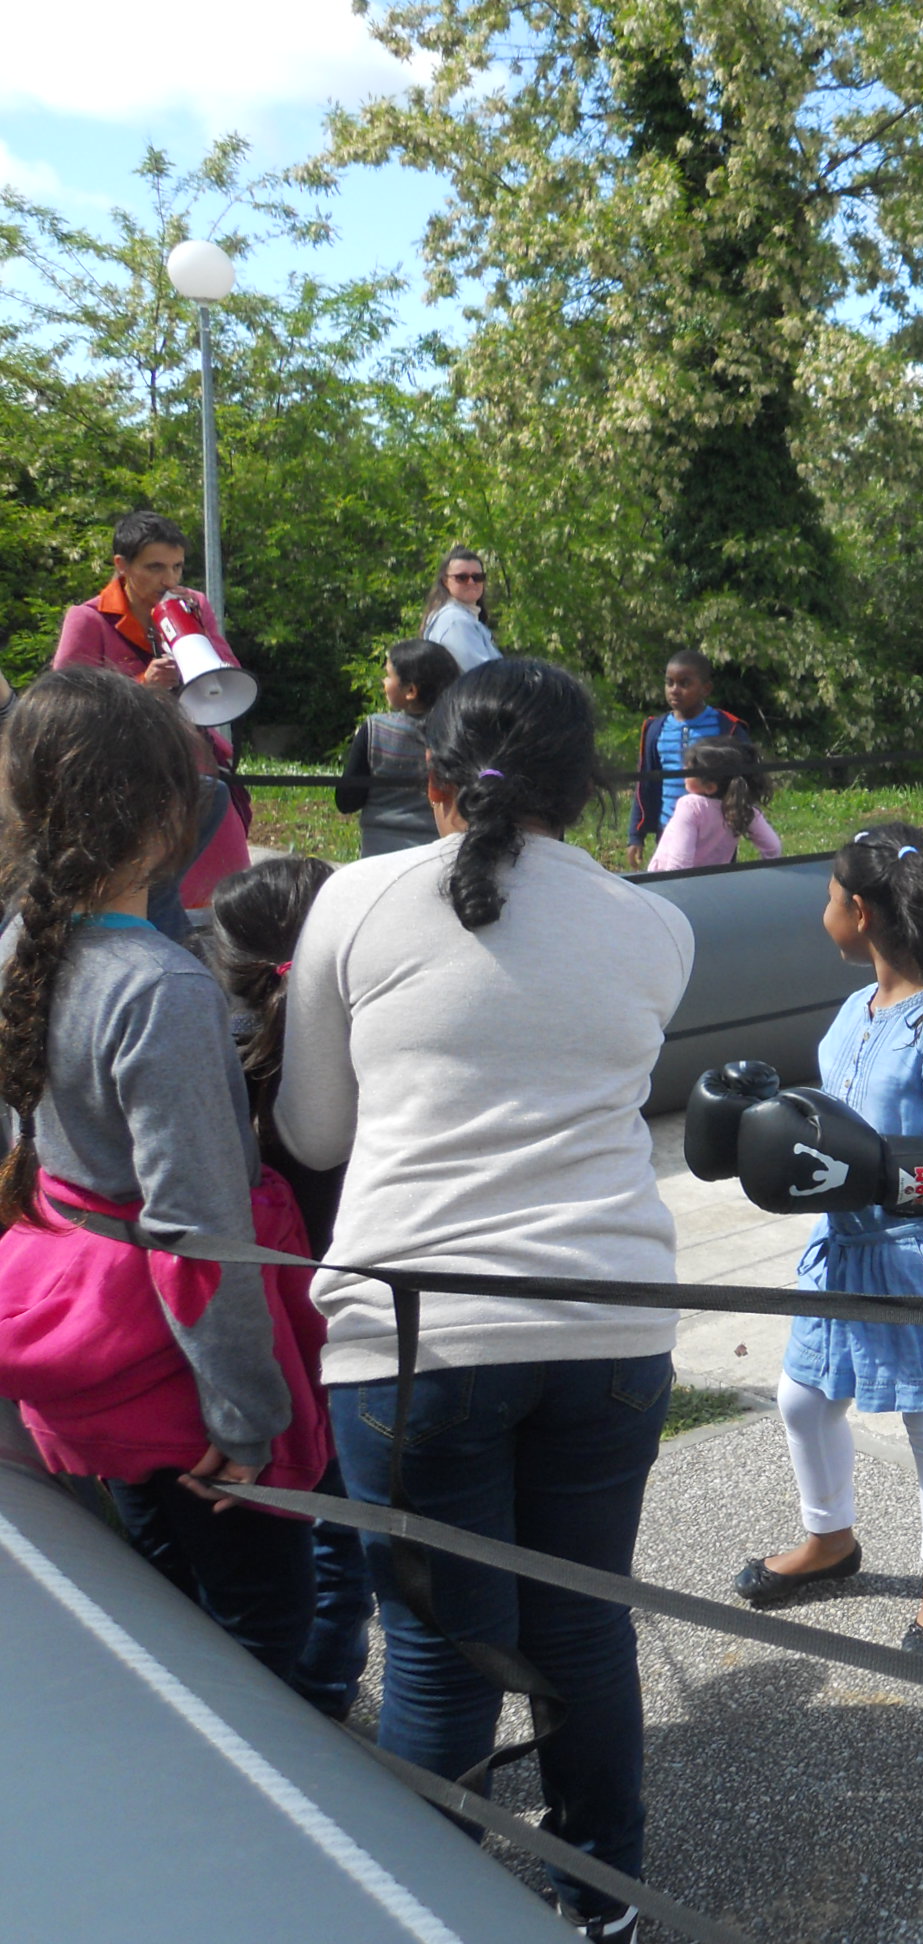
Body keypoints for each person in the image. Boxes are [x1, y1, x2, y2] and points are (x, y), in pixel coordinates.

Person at [277, 659, 695, 1940]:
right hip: (611, 1318)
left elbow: (312, 1128)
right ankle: (601, 1902)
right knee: (583, 1627)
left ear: (433, 776)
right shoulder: (657, 925)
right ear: (594, 786)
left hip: (416, 1337)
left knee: (440, 1657)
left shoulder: (353, 899)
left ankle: (430, 1910)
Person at [0, 669, 329, 1686]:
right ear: (157, 806)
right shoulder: (160, 990)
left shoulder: (23, 943)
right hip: (182, 1385)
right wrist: (248, 1418)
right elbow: (198, 1231)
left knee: (162, 1612)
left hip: (79, 1353)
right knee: (264, 1639)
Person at [729, 829, 923, 1663]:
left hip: (922, 1253)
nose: (823, 908)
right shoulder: (856, 1008)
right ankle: (830, 1541)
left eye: (828, 894)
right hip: (844, 1247)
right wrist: (768, 1121)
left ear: (857, 912)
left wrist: (861, 1171)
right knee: (803, 1398)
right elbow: (839, 1112)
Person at [204, 855, 374, 1722]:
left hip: (250, 1338)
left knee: (263, 1537)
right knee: (347, 1541)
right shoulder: (371, 1060)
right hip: (350, 1333)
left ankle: (274, 1709)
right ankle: (330, 1696)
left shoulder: (211, 1075)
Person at [52, 509, 252, 908]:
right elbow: (63, 707)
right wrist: (142, 686)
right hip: (125, 782)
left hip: (195, 770)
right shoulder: (88, 619)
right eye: (155, 567)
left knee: (227, 902)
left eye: (177, 567)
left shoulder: (193, 604)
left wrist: (193, 639)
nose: (170, 581)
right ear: (121, 566)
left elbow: (226, 671)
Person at [334, 637, 460, 858]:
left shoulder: (376, 729)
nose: (384, 682)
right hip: (440, 855)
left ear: (410, 691)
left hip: (379, 857)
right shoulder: (462, 734)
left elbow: (347, 801)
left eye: (388, 675)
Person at [627, 648, 752, 866]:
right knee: (674, 888)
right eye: (669, 683)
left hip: (716, 833)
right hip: (669, 829)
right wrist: (635, 836)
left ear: (706, 689)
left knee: (716, 889)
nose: (674, 690)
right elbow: (645, 783)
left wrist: (739, 815)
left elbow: (748, 777)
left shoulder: (726, 728)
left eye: (684, 684)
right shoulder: (656, 729)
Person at [647, 738, 783, 872]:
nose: (684, 769)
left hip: (669, 887)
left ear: (710, 787)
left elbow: (679, 864)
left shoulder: (691, 806)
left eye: (689, 770)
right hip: (714, 884)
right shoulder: (742, 809)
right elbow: (773, 847)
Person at [420, 546, 501, 672]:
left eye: (477, 577)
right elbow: (484, 675)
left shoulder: (465, 617)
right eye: (461, 578)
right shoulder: (454, 621)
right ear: (445, 582)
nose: (471, 582)